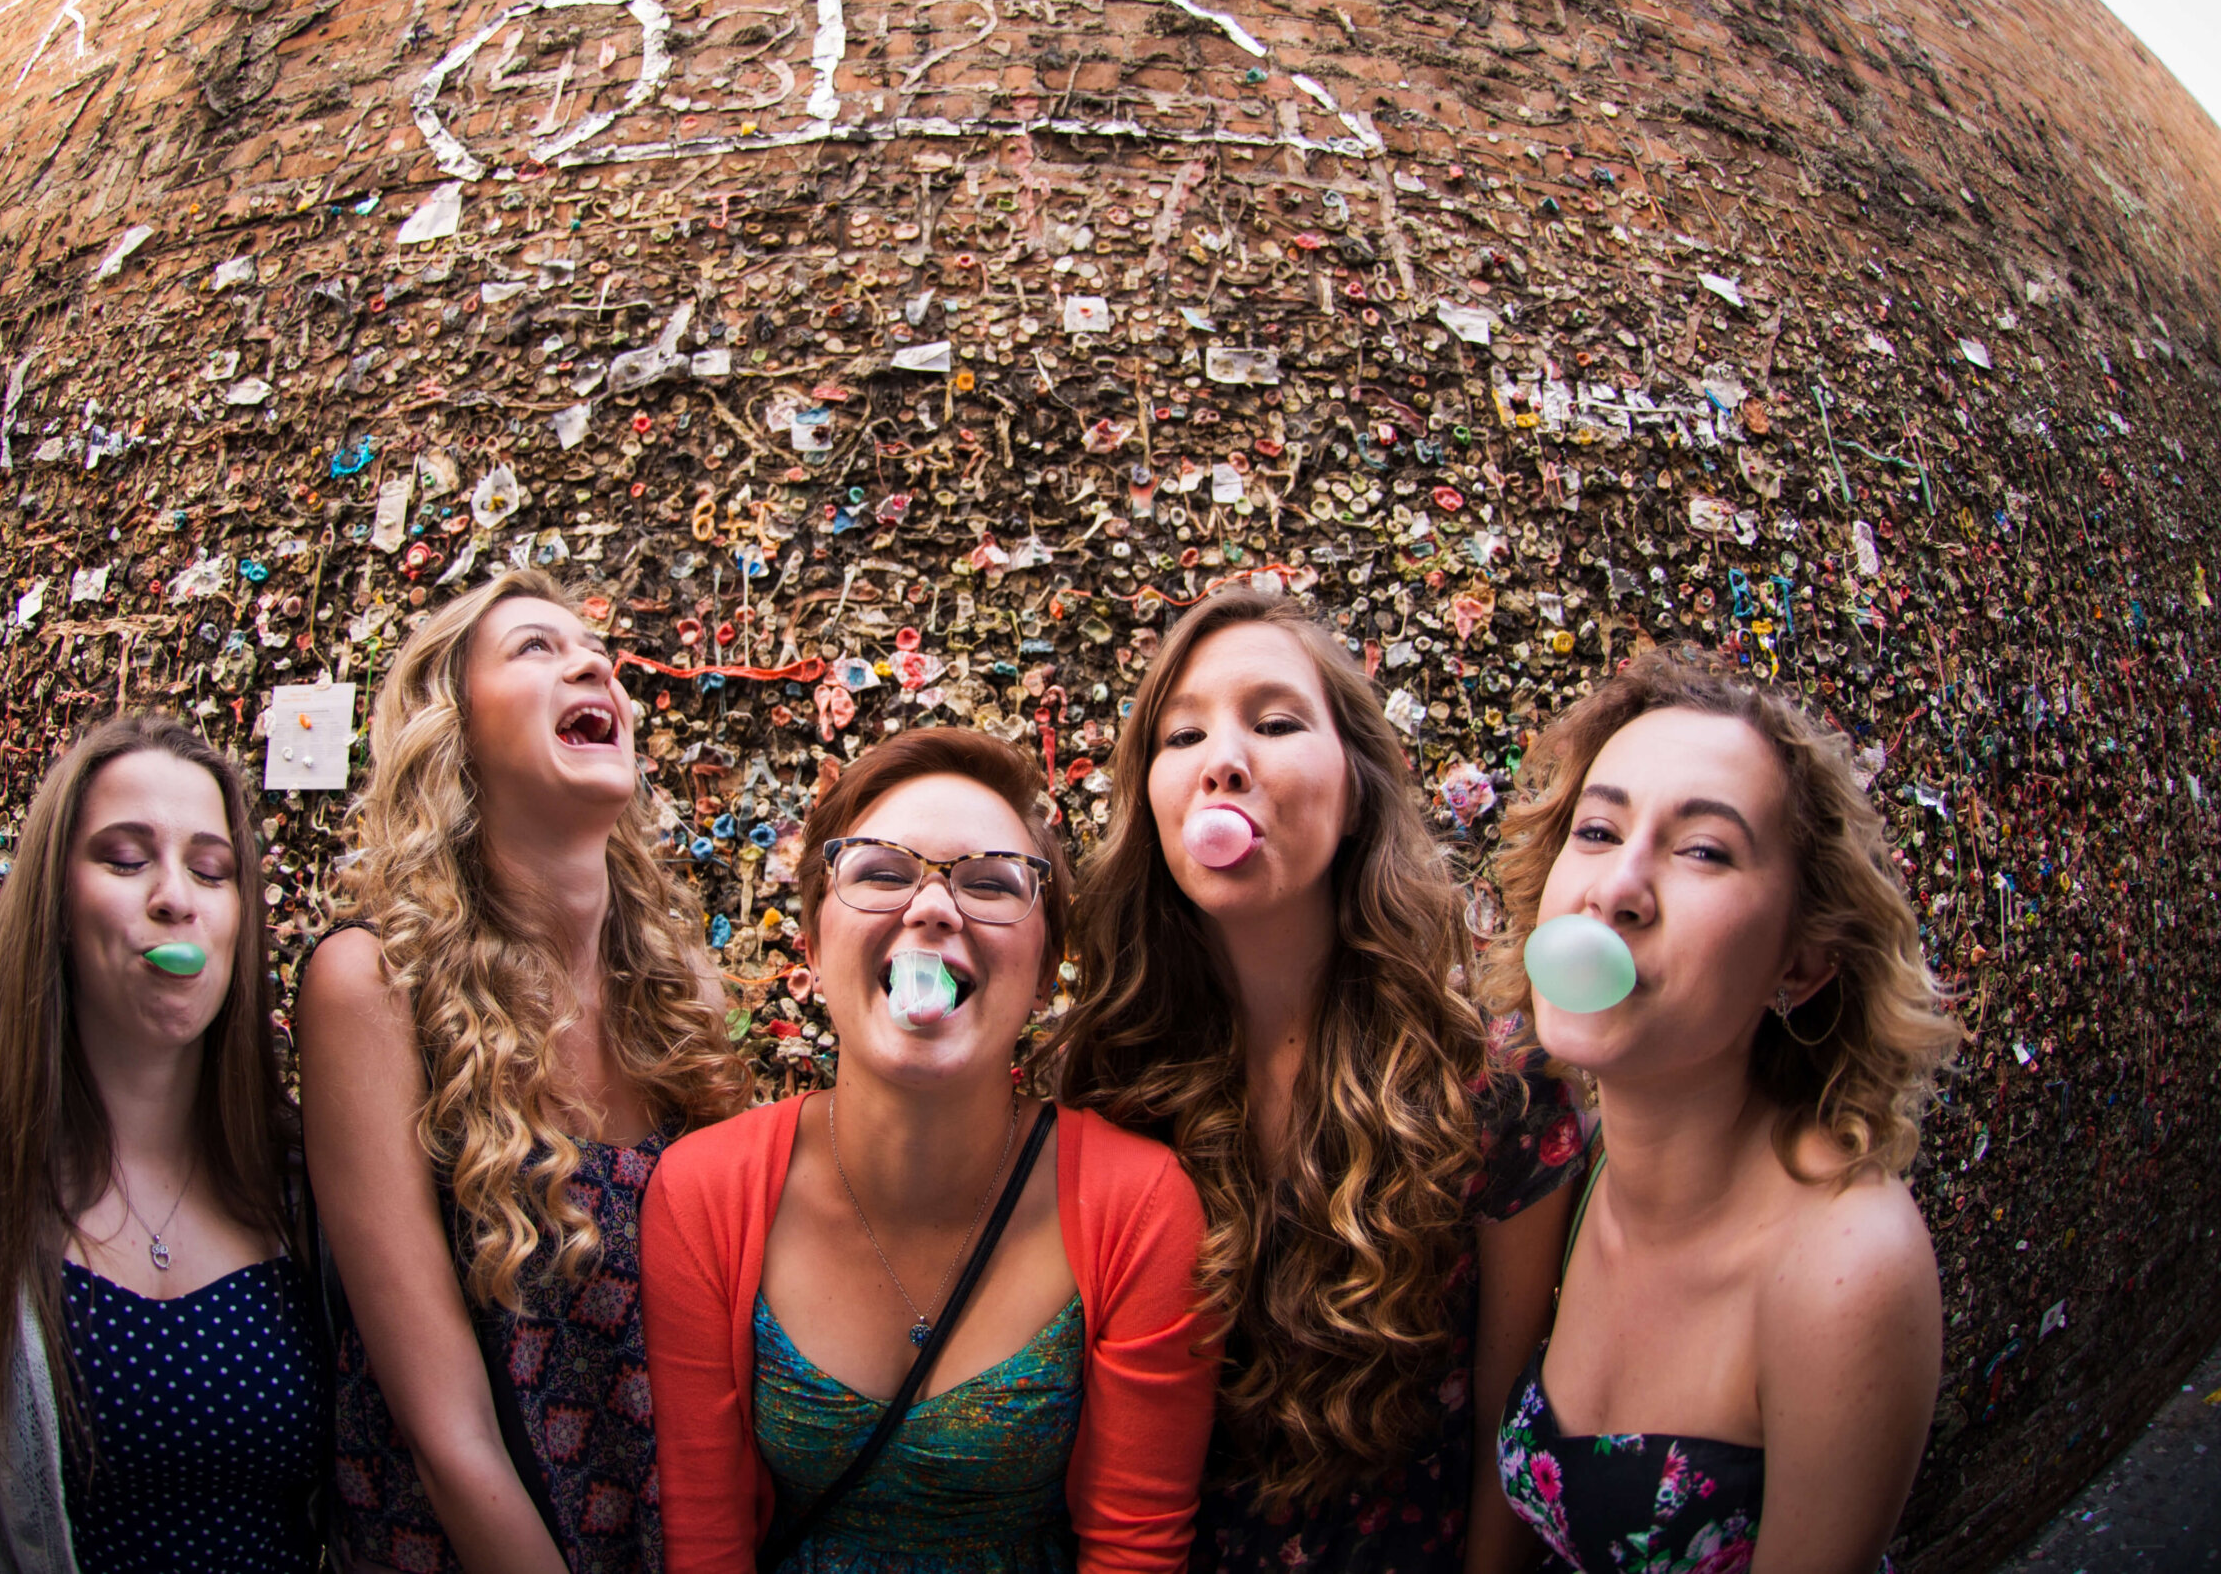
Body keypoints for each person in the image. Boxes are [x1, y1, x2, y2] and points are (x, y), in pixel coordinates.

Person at [1054, 585, 1588, 1574]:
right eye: (1181, 736)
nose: (1223, 760)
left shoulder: (1498, 1091)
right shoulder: (1101, 1085)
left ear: (1355, 795)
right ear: (1151, 805)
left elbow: (1514, 1421)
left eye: (1273, 721)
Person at [642, 726, 1216, 1573]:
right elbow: (706, 1547)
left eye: (989, 883)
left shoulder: (1139, 1205)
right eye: (880, 872)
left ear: (1047, 959)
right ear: (809, 942)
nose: (933, 906)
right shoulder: (704, 1196)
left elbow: (1135, 1551)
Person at [298, 567, 748, 1574]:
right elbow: (447, 1432)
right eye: (534, 649)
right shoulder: (372, 988)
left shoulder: (680, 1005)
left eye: (594, 652)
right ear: (452, 734)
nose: (591, 660)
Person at [1484, 648, 1959, 1572]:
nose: (1615, 890)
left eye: (1703, 848)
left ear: (1802, 960)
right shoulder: (1582, 1167)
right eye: (1596, 830)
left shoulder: (1846, 1267)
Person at [0, 714, 323, 1574]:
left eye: (211, 869)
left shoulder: (295, 1170)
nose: (175, 896)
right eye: (124, 858)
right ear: (57, 906)